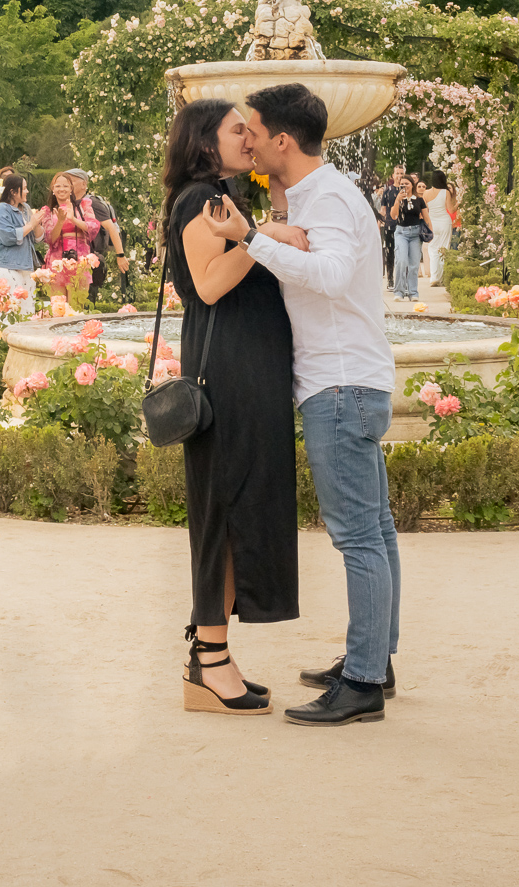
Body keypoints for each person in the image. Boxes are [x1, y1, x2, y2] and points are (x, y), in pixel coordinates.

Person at [202, 83, 399, 728]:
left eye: (253, 131)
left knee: (359, 537)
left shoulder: (331, 197)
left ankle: (365, 681)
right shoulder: (318, 194)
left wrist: (253, 238)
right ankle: (375, 659)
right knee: (377, 531)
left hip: (339, 385)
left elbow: (336, 275)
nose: (247, 141)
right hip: (349, 381)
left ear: (283, 139)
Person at [163, 99, 298, 716]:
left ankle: (212, 654)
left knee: (237, 500)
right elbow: (211, 284)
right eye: (237, 129)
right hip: (229, 375)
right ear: (204, 141)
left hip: (247, 370)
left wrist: (263, 226)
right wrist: (262, 237)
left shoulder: (221, 198)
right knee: (224, 503)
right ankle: (208, 660)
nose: (251, 138)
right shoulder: (200, 200)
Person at [67, 168, 130, 302]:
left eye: (71, 181)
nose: (68, 185)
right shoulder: (68, 204)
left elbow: (111, 228)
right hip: (71, 261)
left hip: (89, 262)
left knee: (85, 302)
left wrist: (120, 256)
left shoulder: (92, 203)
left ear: (84, 184)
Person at [36, 172, 99, 302]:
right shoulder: (48, 211)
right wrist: (60, 221)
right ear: (53, 190)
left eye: (65, 186)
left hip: (79, 259)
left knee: (76, 306)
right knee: (58, 308)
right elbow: (49, 239)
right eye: (58, 186)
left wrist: (73, 219)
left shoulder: (83, 206)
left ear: (71, 189)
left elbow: (93, 227)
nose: (62, 189)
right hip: (56, 261)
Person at [0, 173, 43, 315]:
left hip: (25, 266)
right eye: (24, 188)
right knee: (10, 309)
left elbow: (37, 238)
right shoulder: (1, 210)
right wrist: (31, 224)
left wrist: (36, 223)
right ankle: (3, 336)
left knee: (28, 308)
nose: (27, 191)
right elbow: (8, 237)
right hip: (6, 266)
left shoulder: (25, 209)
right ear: (13, 192)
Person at [389, 174, 430, 301]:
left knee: (414, 264)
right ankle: (399, 292)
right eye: (402, 184)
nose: (404, 186)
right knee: (401, 261)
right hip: (401, 233)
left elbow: (426, 217)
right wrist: (397, 201)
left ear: (412, 184)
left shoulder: (419, 199)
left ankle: (413, 292)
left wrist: (430, 232)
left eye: (407, 183)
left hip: (415, 234)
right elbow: (394, 216)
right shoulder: (398, 198)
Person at [423, 172, 455, 286]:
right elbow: (450, 210)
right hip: (445, 222)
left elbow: (425, 211)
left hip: (433, 223)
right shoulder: (446, 192)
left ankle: (434, 277)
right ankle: (441, 278)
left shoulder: (426, 193)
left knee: (432, 250)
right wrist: (459, 204)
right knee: (444, 249)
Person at [377, 165, 404, 289]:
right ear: (393, 176)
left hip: (404, 226)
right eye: (397, 173)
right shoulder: (388, 191)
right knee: (390, 253)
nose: (399, 176)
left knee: (402, 254)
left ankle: (402, 280)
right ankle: (390, 280)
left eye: (402, 173)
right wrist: (378, 223)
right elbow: (383, 210)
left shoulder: (406, 190)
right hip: (390, 226)